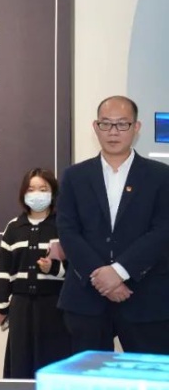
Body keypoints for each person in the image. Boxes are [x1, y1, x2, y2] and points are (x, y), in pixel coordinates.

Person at [57, 95, 169, 355]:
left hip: (146, 297)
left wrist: (119, 271)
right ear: (95, 127)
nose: (113, 132)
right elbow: (67, 230)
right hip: (86, 298)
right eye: (106, 124)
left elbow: (163, 230)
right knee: (88, 376)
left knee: (148, 376)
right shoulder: (74, 176)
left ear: (136, 127)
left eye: (122, 124)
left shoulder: (161, 176)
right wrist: (100, 275)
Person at [0, 168, 71, 378]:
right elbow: (4, 269)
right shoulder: (13, 227)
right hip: (21, 305)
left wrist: (52, 268)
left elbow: (75, 268)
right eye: (31, 189)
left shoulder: (63, 226)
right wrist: (2, 305)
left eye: (43, 189)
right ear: (24, 193)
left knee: (53, 358)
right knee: (21, 359)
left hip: (54, 305)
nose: (37, 194)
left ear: (53, 193)